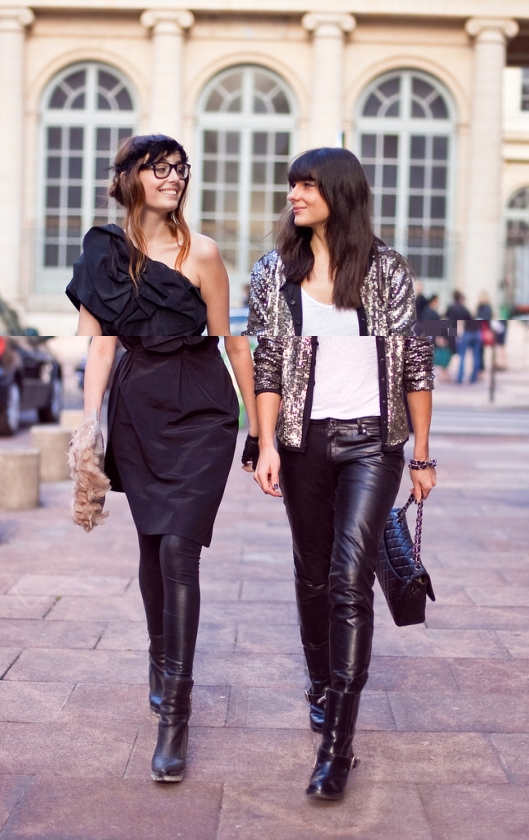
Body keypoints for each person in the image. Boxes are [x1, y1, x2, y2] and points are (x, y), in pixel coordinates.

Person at [246, 147, 436, 801]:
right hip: (302, 442)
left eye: (307, 185)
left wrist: (421, 454)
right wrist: (266, 443)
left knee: (350, 579)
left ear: (340, 193)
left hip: (372, 444)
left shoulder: (386, 270)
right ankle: (322, 684)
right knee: (313, 574)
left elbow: (415, 363)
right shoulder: (275, 271)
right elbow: (267, 365)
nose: (293, 195)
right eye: (292, 185)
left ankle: (337, 749)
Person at [68, 134, 259, 783]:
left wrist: (257, 430)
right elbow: (99, 345)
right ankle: (160, 656)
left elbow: (233, 343)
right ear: (130, 178)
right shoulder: (103, 253)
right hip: (139, 407)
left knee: (180, 548)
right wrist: (89, 426)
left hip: (203, 410)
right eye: (160, 169)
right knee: (153, 547)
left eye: (181, 169)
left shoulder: (203, 252)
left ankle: (175, 716)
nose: (174, 178)